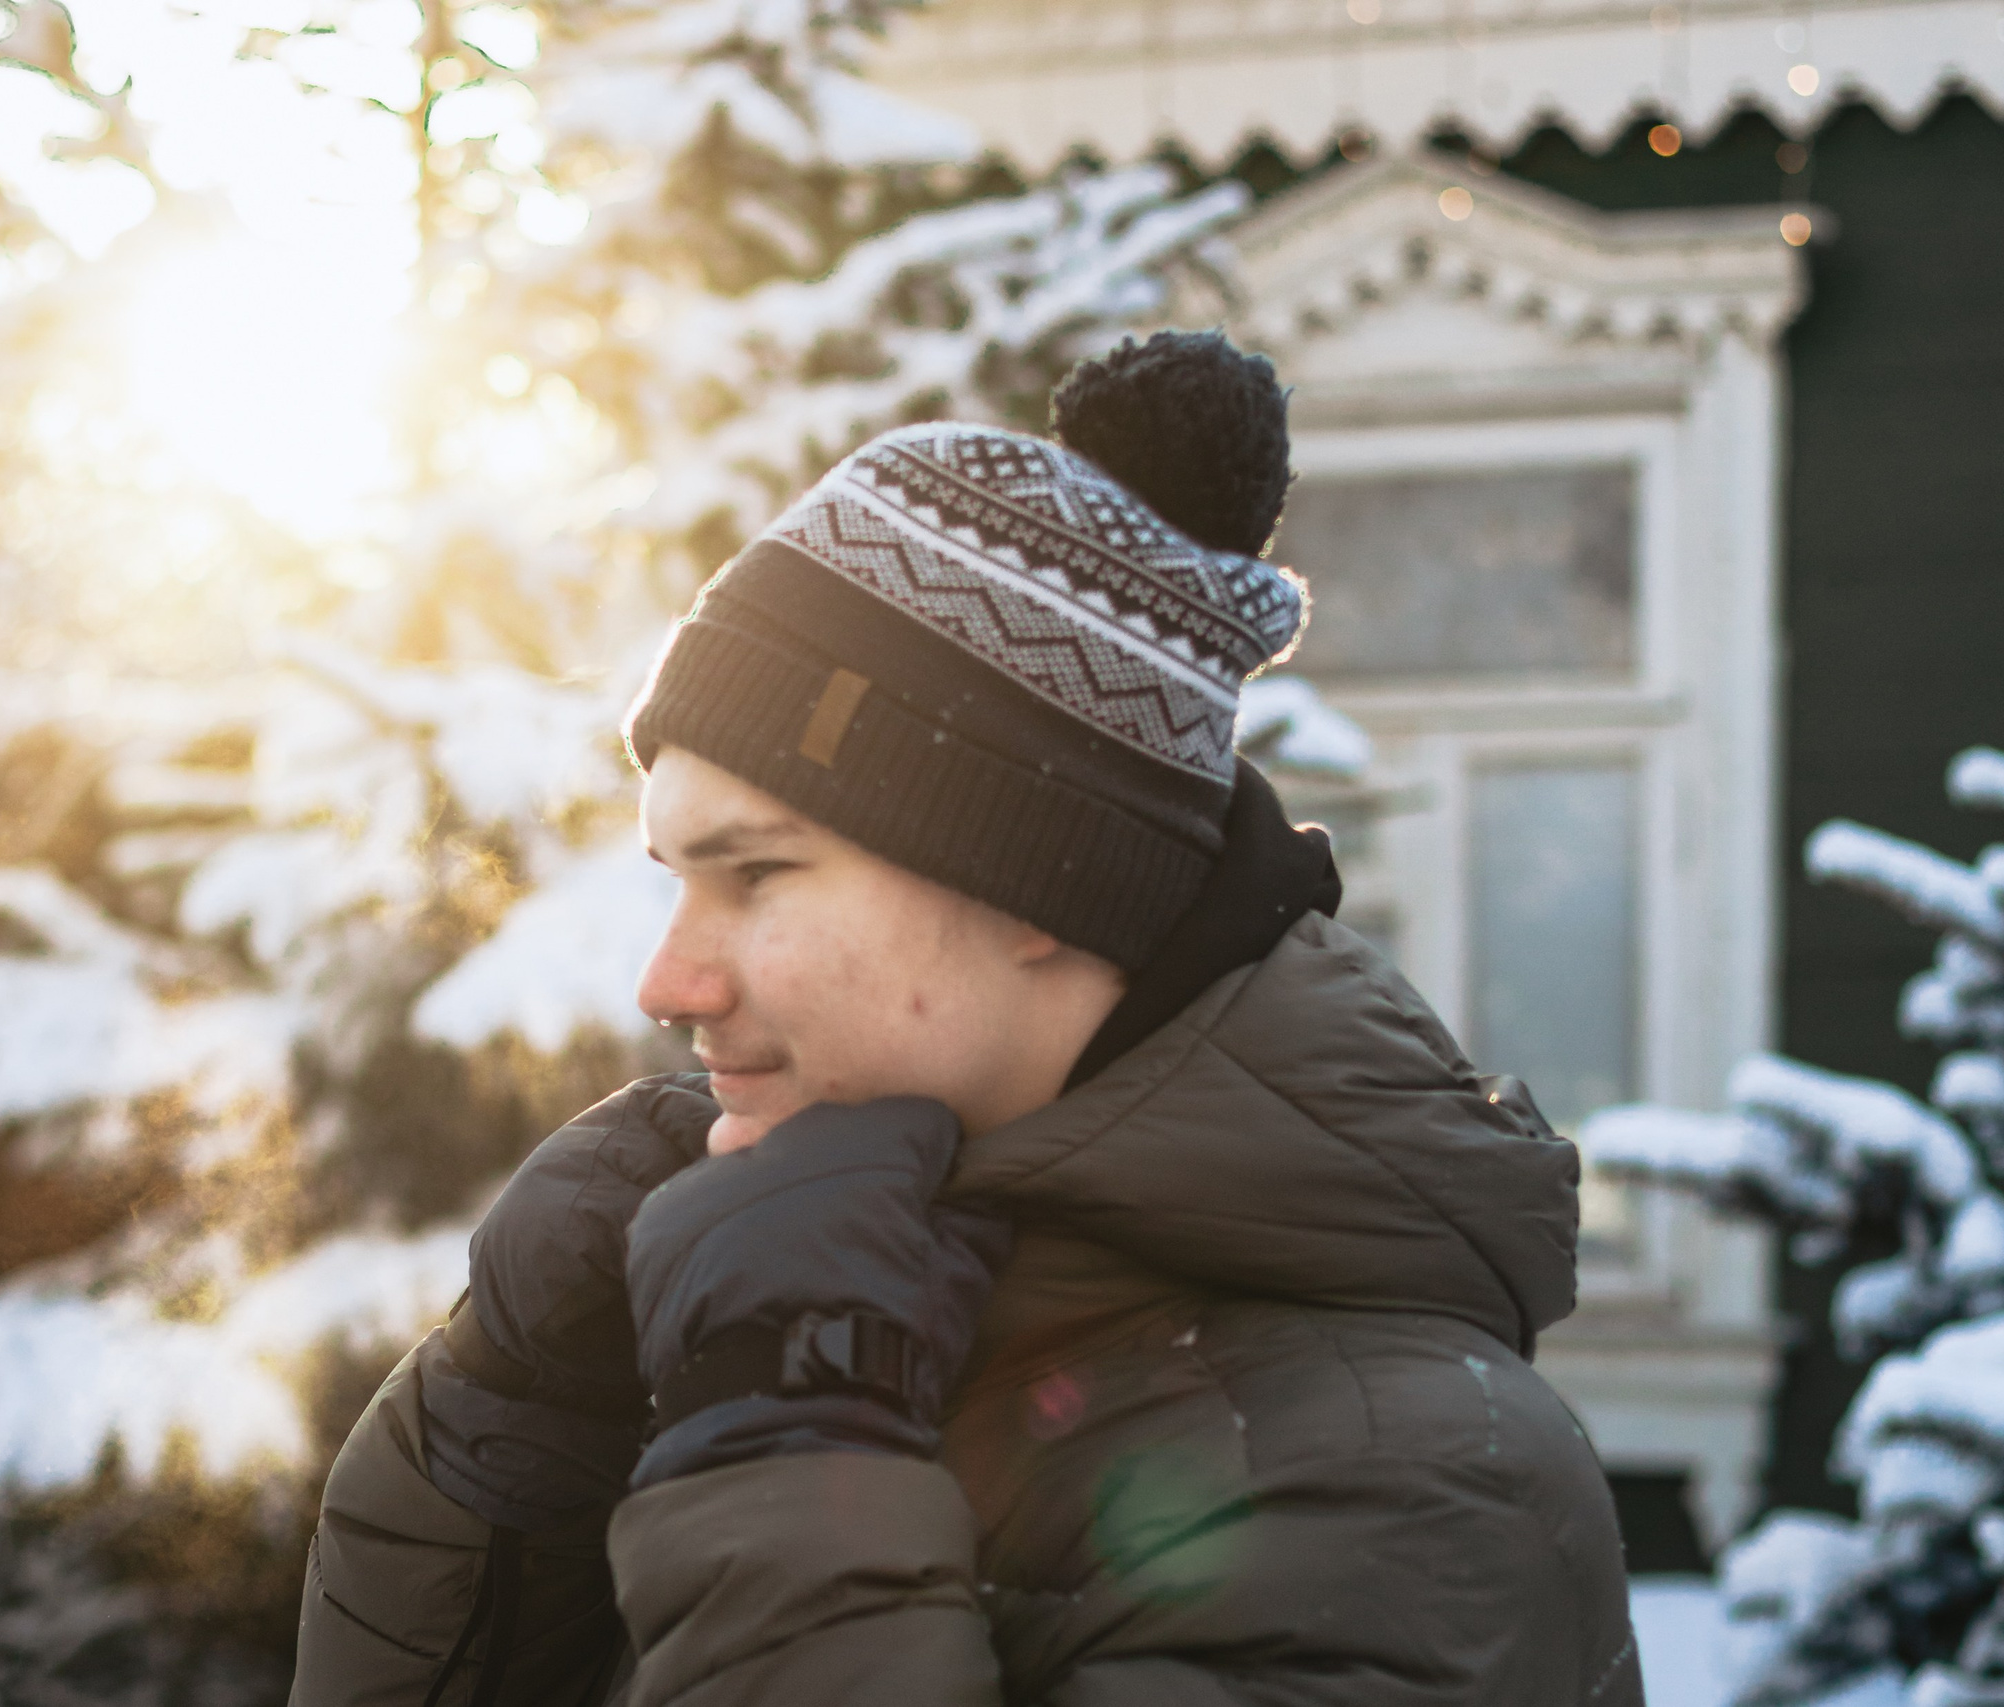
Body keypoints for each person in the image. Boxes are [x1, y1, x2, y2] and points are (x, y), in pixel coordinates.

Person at [286, 332, 1641, 1707]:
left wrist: (789, 1448)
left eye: (757, 874)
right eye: (676, 881)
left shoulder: (1416, 1492)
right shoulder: (880, 1295)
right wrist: (514, 1428)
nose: (669, 982)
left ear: (1040, 886)